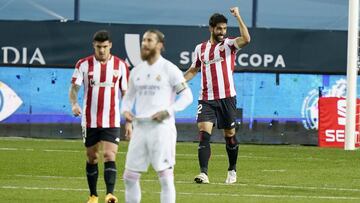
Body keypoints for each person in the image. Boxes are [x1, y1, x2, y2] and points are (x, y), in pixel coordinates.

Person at [121, 29, 193, 203]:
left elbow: (187, 96)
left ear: (159, 45)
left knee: (165, 178)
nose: (144, 43)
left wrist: (168, 111)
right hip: (140, 129)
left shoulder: (169, 69)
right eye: (143, 40)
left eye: (149, 40)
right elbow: (128, 98)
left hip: (162, 129)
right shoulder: (137, 70)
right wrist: (125, 111)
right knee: (129, 177)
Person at [184, 7, 251, 184]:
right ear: (211, 28)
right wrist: (179, 83)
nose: (222, 32)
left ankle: (232, 170)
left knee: (229, 135)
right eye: (219, 29)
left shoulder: (228, 45)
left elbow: (246, 39)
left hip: (227, 98)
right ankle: (204, 173)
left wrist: (238, 16)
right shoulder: (201, 49)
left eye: (224, 29)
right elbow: (193, 69)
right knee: (204, 133)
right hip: (206, 98)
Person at [69, 30, 131, 203]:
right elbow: (74, 89)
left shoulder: (120, 66)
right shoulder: (83, 64)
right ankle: (93, 195)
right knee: (92, 157)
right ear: (93, 46)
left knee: (110, 155)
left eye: (104, 47)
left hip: (111, 120)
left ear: (110, 45)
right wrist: (74, 103)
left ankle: (110, 194)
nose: (102, 50)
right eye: (98, 47)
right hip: (89, 120)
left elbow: (126, 94)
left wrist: (129, 122)